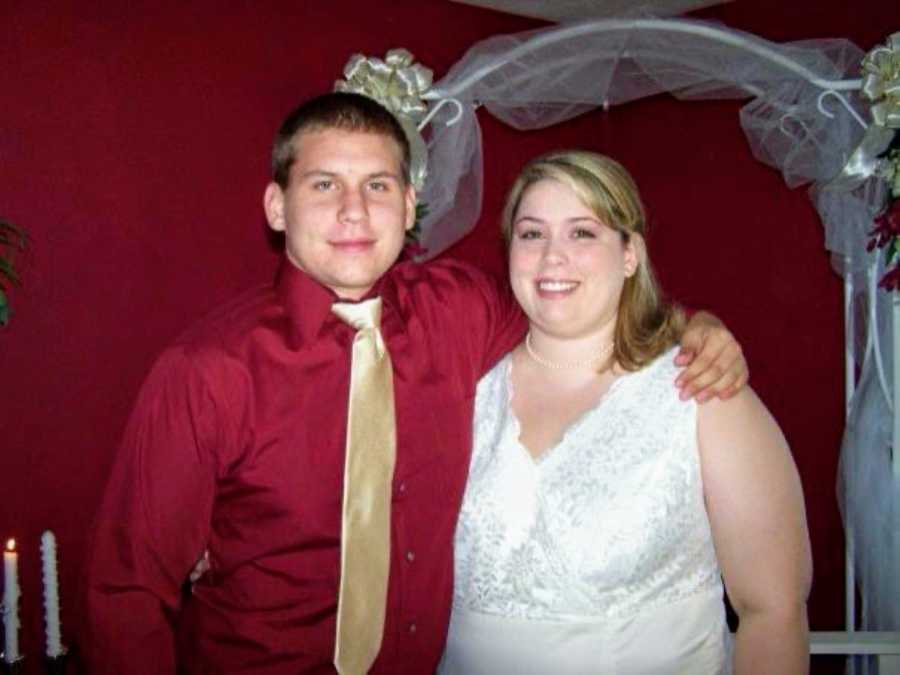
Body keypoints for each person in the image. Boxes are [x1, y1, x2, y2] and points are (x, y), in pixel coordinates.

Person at [82, 93, 747, 674]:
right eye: (323, 185)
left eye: (377, 185)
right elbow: (125, 593)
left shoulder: (459, 309)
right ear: (276, 206)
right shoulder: (207, 371)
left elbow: (574, 303)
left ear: (407, 205)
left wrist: (693, 326)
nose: (353, 210)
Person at [439, 151, 812, 675]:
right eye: (531, 234)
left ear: (630, 253)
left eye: (582, 233)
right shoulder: (463, 387)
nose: (552, 258)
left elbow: (772, 610)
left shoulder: (701, 388)